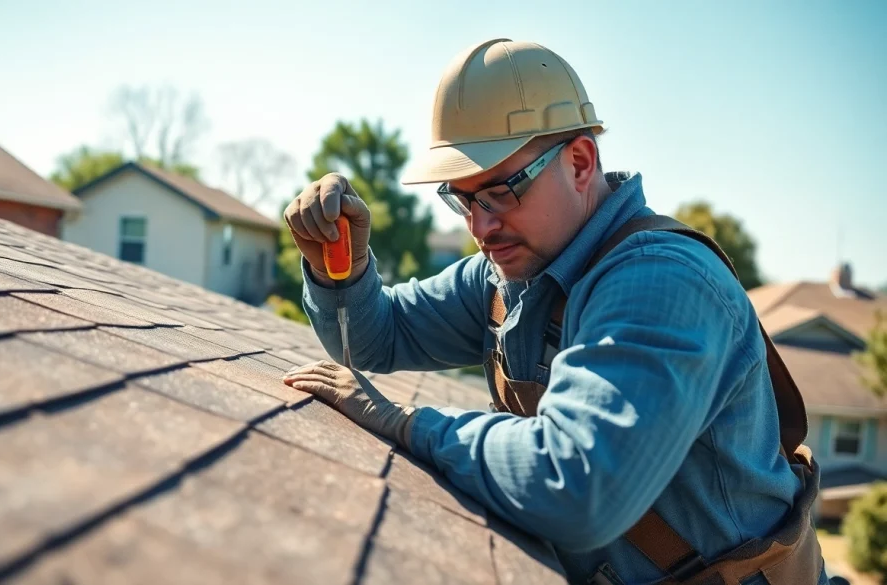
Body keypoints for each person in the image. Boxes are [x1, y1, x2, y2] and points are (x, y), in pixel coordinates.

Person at [281, 38, 830, 585]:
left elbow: (579, 485)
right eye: (463, 198)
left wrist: (408, 425)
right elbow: (383, 337)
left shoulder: (662, 282)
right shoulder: (511, 274)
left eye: (500, 191)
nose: (480, 226)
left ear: (579, 161)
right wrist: (345, 271)